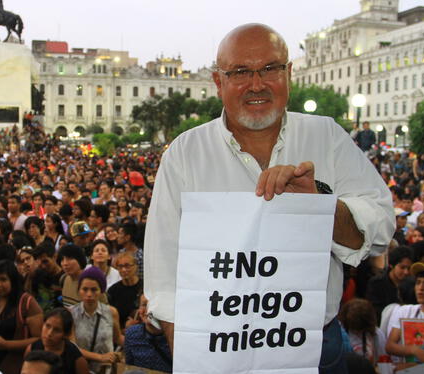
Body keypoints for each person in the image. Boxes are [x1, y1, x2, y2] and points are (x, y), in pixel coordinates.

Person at [144, 24, 394, 373]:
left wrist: (321, 205)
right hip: (217, 348)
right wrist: (189, 355)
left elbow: (380, 231)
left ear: (289, 74)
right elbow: (163, 268)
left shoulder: (328, 137)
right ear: (219, 82)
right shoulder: (185, 153)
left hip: (317, 348)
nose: (257, 84)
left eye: (270, 68)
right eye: (241, 72)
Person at [0, 260, 43, 373]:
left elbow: (39, 339)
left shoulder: (26, 303)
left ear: (13, 280)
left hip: (14, 365)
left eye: (3, 279)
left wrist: (6, 345)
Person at [385, 262, 424, 364]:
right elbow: (390, 346)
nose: (421, 288)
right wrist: (413, 350)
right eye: (418, 282)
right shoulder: (405, 311)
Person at [70, 267, 122, 373]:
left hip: (105, 370)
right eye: (85, 289)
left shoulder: (111, 312)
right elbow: (72, 347)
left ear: (101, 291)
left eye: (94, 290)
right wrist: (100, 357)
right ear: (79, 290)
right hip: (81, 370)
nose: (89, 294)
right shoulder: (71, 313)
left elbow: (118, 338)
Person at [25, 308, 89, 374]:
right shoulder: (33, 348)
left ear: (65, 334)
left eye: (57, 330)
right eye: (47, 326)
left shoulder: (76, 359)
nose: (49, 333)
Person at [123, 295, 172, 373]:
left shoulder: (173, 335)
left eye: (153, 305)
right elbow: (129, 366)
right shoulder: (131, 334)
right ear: (139, 310)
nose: (148, 310)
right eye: (144, 305)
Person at [365, 245, 413, 323]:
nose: (406, 272)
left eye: (409, 268)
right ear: (392, 265)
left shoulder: (412, 284)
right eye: (402, 267)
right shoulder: (377, 283)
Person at [337, 299, 386, 366]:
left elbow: (382, 361)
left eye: (360, 329)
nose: (357, 332)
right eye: (354, 328)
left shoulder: (377, 334)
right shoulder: (338, 333)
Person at [107, 252, 142, 329]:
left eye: (127, 266)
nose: (123, 269)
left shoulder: (144, 287)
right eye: (120, 266)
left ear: (135, 266)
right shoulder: (113, 291)